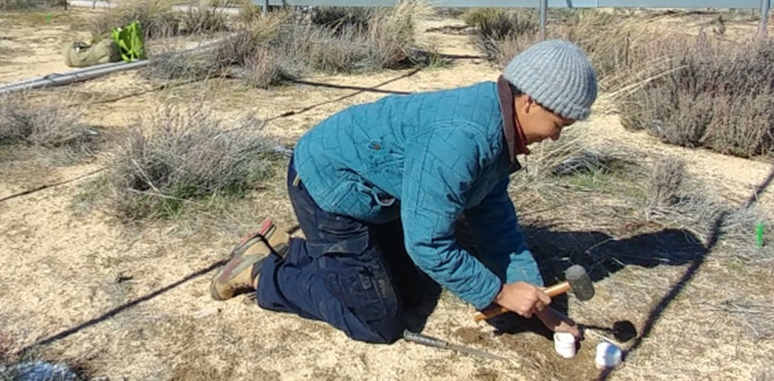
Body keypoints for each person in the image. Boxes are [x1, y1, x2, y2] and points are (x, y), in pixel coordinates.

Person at [209, 39, 597, 351]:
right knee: (378, 320)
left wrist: (537, 299)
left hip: (377, 192)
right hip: (328, 185)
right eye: (558, 124)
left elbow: (494, 219)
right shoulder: (463, 137)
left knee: (414, 291)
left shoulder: (499, 124)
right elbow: (427, 243)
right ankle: (261, 272)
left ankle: (289, 249)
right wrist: (497, 291)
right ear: (529, 102)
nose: (555, 136)